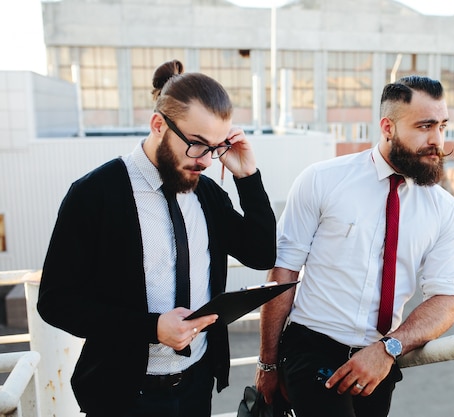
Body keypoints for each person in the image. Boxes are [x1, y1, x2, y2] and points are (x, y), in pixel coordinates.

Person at [37, 59, 276, 417]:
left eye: (216, 148)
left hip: (196, 387)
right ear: (158, 124)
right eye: (196, 145)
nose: (207, 161)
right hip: (122, 396)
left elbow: (261, 253)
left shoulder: (207, 194)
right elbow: (55, 302)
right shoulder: (94, 194)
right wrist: (151, 328)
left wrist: (247, 177)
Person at [255, 75, 454, 417]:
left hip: (379, 358)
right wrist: (267, 363)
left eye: (442, 126)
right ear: (388, 127)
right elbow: (284, 271)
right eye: (425, 126)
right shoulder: (322, 180)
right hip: (312, 347)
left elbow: (447, 298)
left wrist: (389, 348)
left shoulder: (446, 211)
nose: (438, 141)